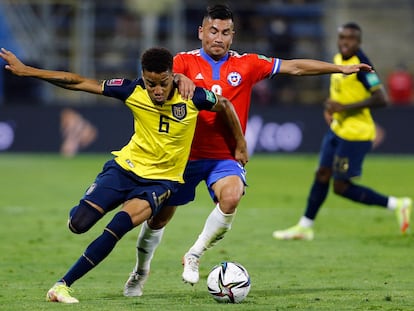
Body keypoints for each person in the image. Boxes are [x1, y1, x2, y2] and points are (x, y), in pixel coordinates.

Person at [123, 5, 375, 297]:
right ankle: (140, 272)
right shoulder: (182, 62)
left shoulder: (247, 64)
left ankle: (194, 253)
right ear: (201, 32)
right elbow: (161, 80)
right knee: (158, 219)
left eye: (226, 32)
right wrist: (180, 78)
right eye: (213, 31)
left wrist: (341, 69)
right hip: (183, 156)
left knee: (231, 197)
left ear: (233, 36)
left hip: (225, 157)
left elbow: (294, 67)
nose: (219, 38)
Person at [0, 46, 247, 303]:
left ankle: (62, 286)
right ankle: (93, 208)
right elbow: (78, 82)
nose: (157, 91)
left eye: (163, 83)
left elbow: (226, 105)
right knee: (78, 224)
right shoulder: (132, 90)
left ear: (172, 75)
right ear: (143, 77)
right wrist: (27, 71)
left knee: (115, 229)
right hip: (125, 169)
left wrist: (240, 144)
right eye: (151, 84)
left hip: (161, 182)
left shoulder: (193, 96)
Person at [272, 22, 412, 241]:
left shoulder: (362, 65)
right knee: (321, 174)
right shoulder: (338, 60)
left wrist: (343, 108)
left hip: (356, 134)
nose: (346, 42)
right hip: (338, 129)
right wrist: (332, 107)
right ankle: (305, 227)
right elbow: (340, 91)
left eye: (351, 39)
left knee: (341, 186)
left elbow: (381, 98)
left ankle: (397, 204)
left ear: (359, 42)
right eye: (343, 38)